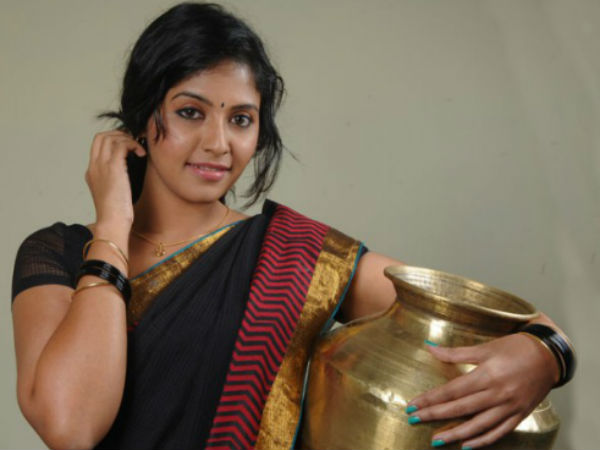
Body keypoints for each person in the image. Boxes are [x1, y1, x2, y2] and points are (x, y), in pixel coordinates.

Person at [10, 3, 575, 450]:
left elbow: (508, 322)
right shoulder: (58, 253)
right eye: (190, 112)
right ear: (141, 115)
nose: (218, 143)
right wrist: (113, 224)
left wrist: (548, 354)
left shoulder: (292, 257)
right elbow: (70, 426)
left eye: (241, 119)